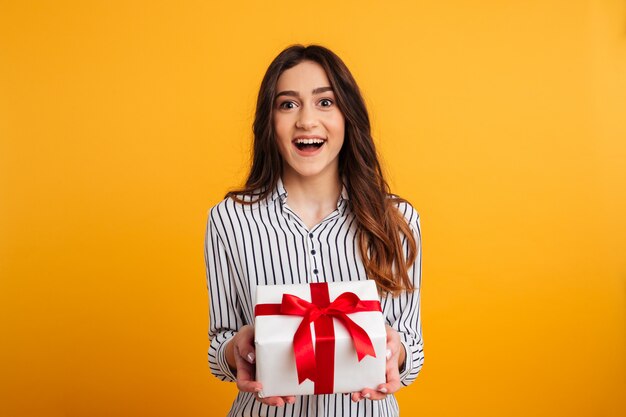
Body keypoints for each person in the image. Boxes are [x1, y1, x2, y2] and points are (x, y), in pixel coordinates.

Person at [205, 44, 423, 417]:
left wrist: (395, 351)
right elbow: (219, 343)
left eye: (325, 102)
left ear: (348, 116)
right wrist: (234, 348)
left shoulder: (397, 220)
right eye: (287, 104)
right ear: (269, 122)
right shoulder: (230, 220)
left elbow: (412, 348)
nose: (306, 120)